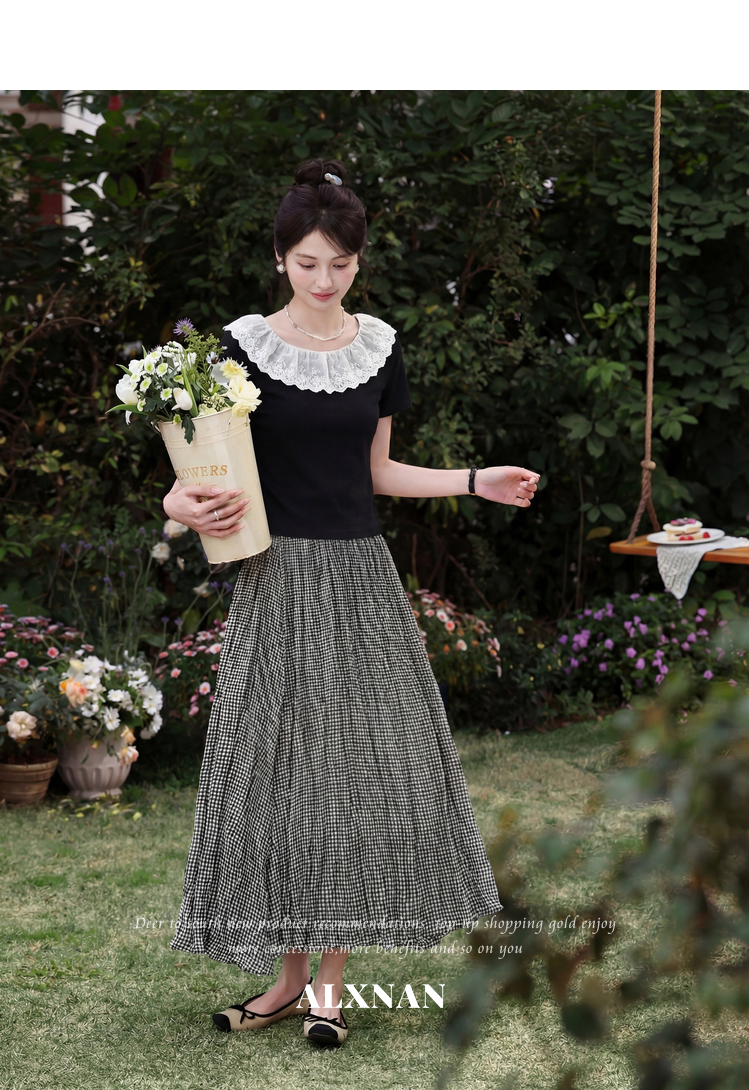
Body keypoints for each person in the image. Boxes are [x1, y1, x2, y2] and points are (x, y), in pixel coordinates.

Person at [165, 158, 540, 1048]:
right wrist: (180, 504)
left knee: (351, 779)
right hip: (273, 577)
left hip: (361, 579)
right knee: (279, 777)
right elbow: (198, 466)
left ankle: (327, 989)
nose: (325, 279)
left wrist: (476, 480)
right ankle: (285, 980)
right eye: (308, 263)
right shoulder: (237, 349)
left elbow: (377, 471)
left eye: (340, 263)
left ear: (359, 261)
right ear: (280, 259)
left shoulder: (379, 347)